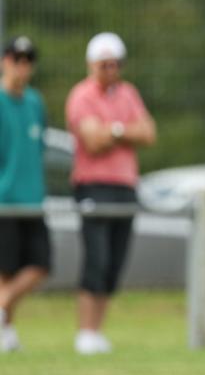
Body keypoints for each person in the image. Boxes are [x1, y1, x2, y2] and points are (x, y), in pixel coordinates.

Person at [65, 32, 156, 355]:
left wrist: (113, 130)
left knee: (115, 260)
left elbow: (148, 133)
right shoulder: (80, 95)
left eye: (115, 64)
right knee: (97, 258)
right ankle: (85, 332)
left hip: (125, 186)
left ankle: (97, 331)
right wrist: (123, 130)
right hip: (93, 186)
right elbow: (92, 141)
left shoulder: (128, 93)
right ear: (92, 65)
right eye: (104, 65)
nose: (110, 70)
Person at [0, 36, 49, 352]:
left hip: (32, 199)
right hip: (3, 200)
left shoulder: (35, 103)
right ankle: (6, 331)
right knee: (5, 271)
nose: (22, 66)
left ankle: (2, 314)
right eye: (17, 59)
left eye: (28, 60)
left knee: (40, 265)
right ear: (5, 61)